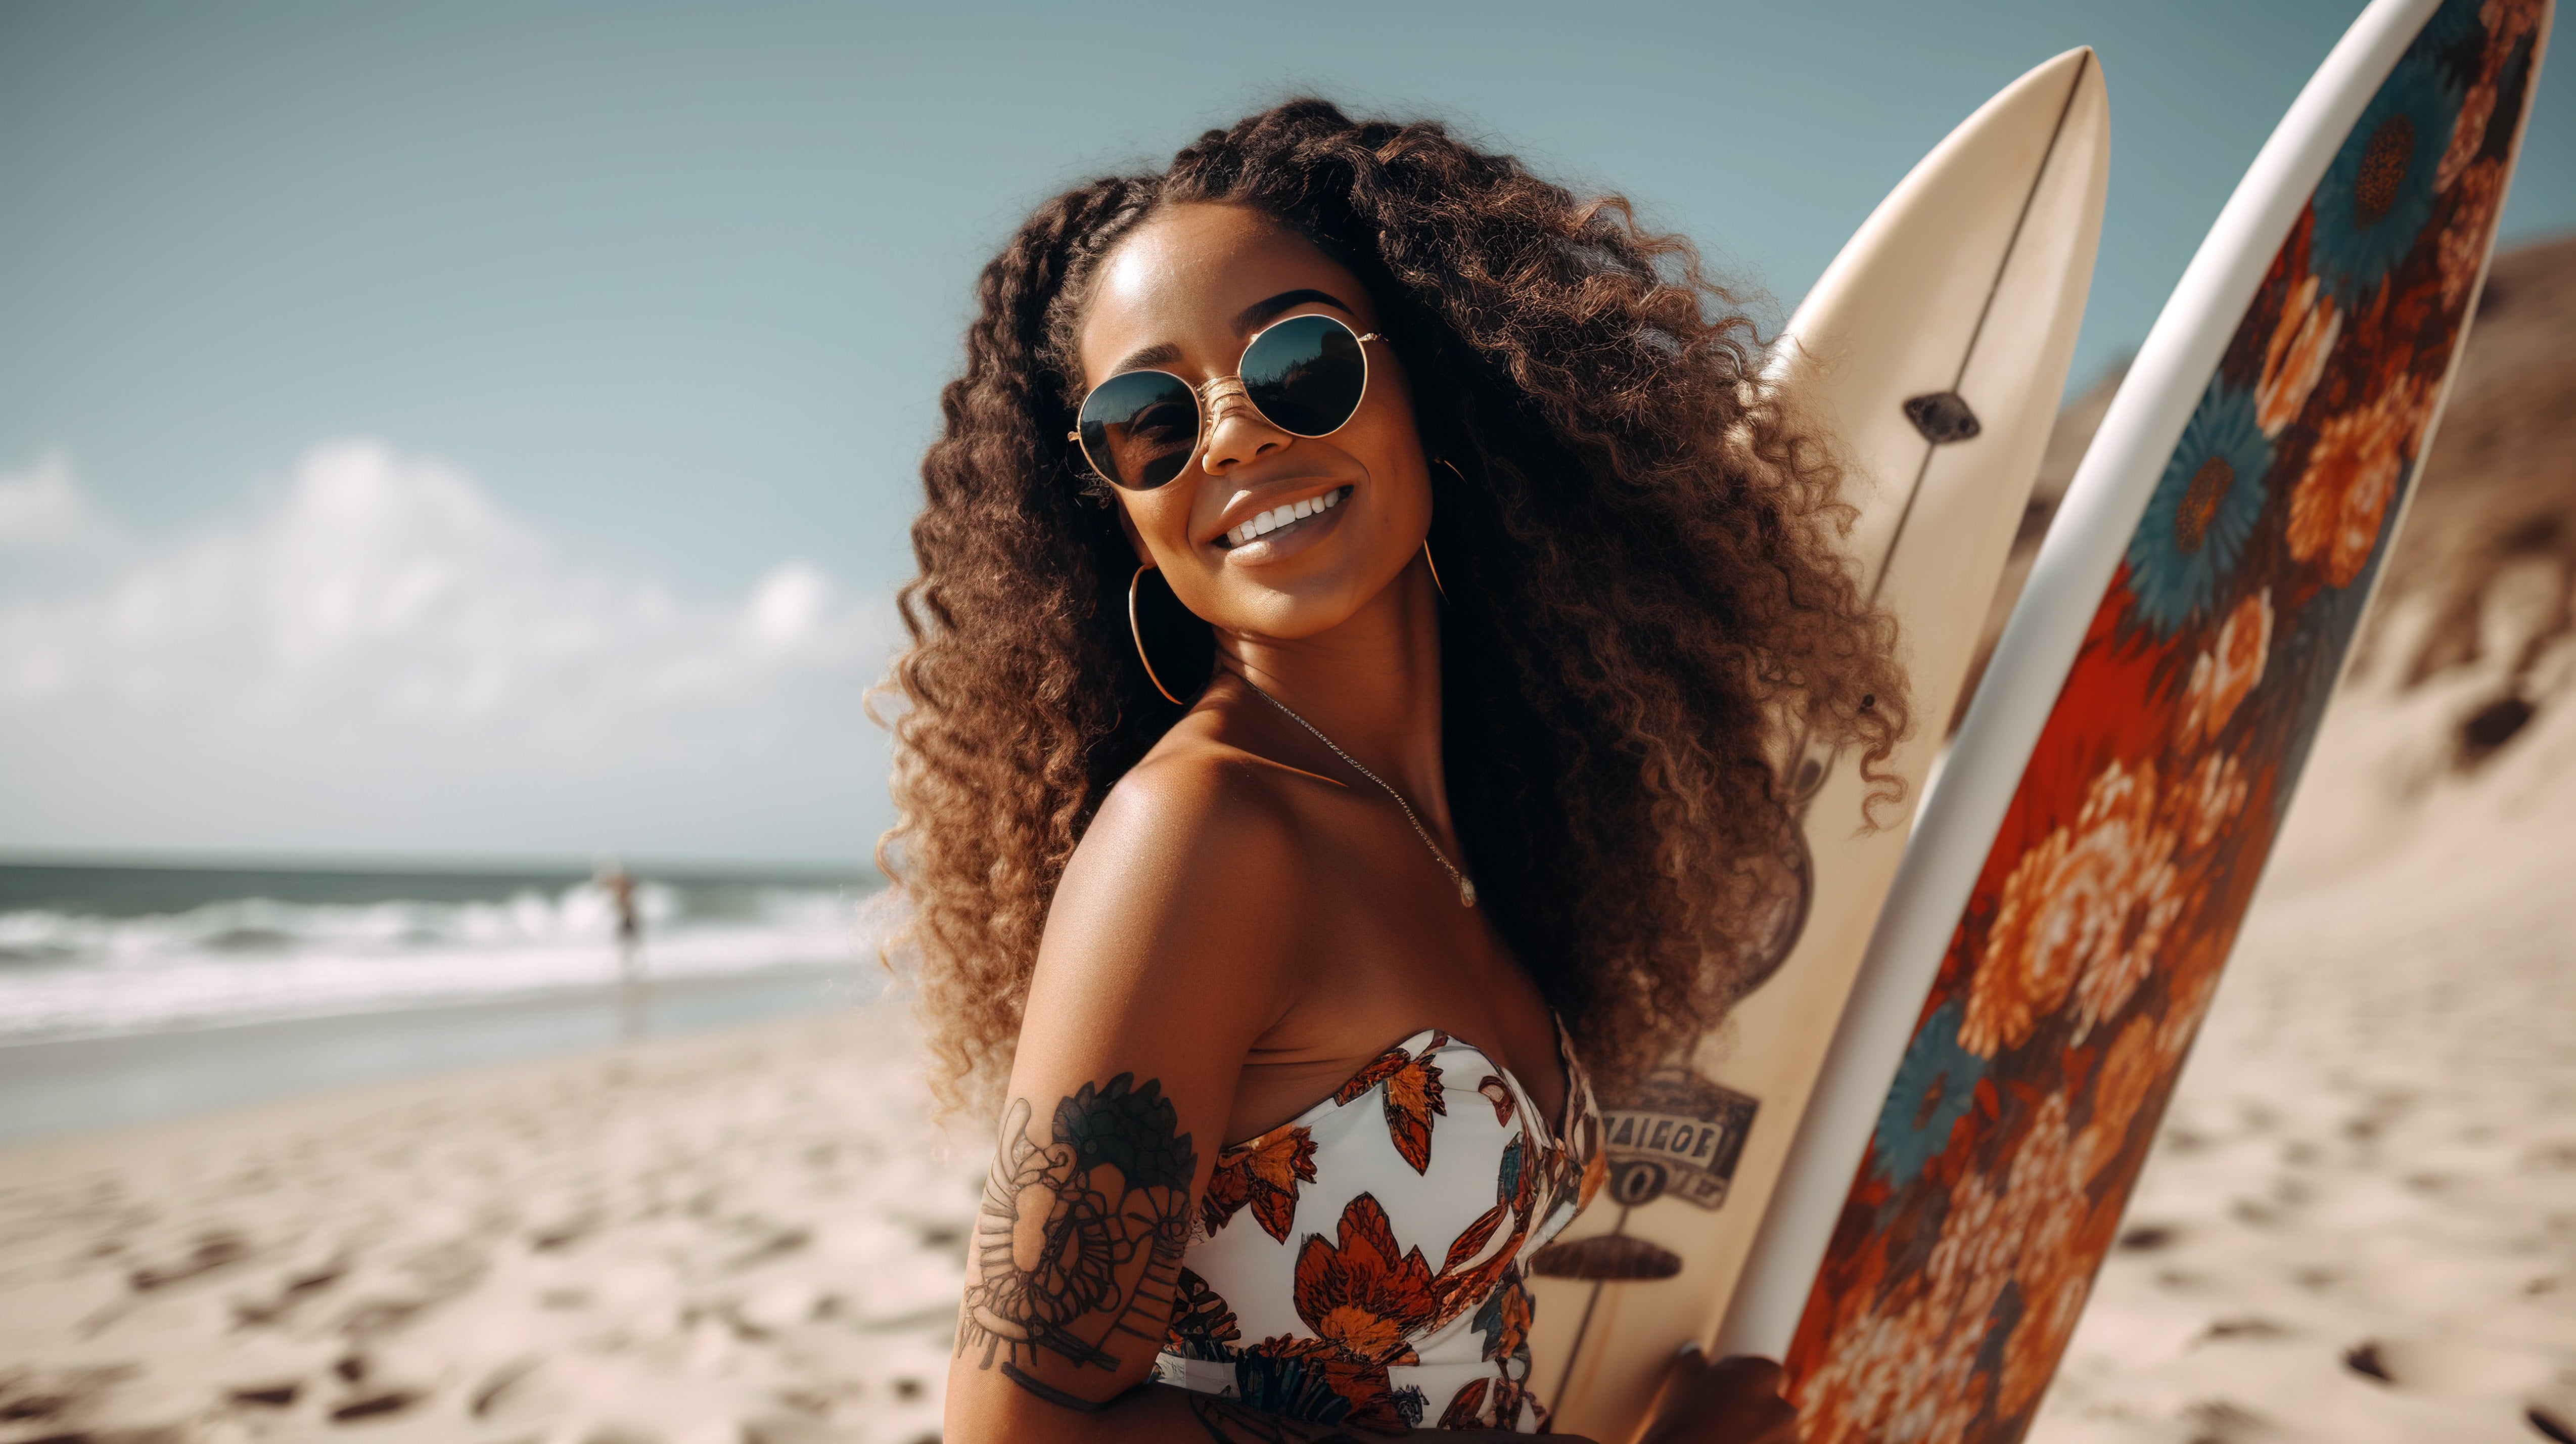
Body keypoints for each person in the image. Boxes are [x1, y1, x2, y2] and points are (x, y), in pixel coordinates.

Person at [881, 100, 1907, 1442]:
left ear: (1432, 378)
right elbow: (1019, 1433)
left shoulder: (1464, 821)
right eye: (1149, 421)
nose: (1235, 437)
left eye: (1298, 364)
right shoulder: (1199, 837)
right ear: (1125, 515)